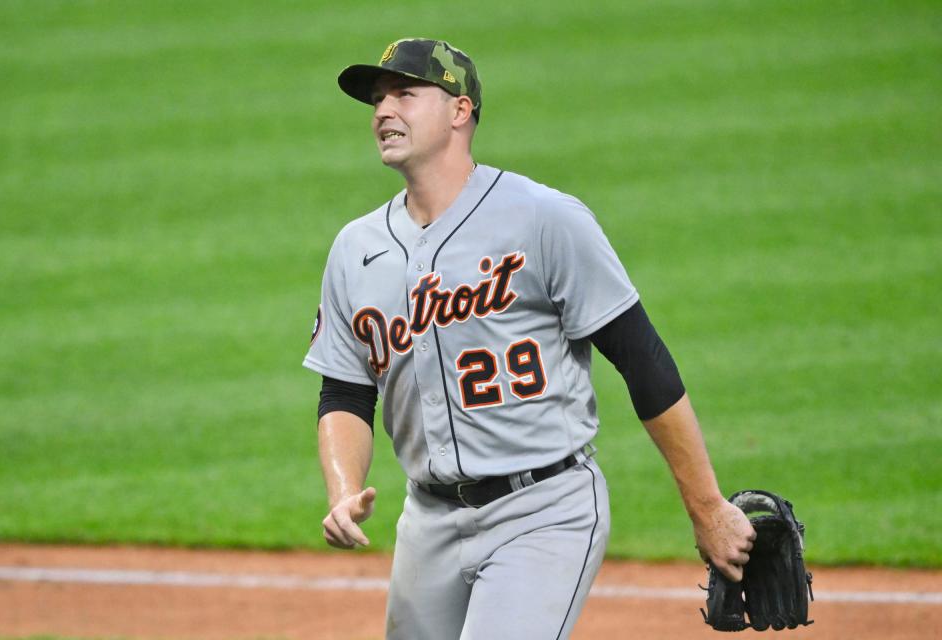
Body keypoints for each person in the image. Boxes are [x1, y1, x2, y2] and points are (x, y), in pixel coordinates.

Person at [303, 37, 756, 640]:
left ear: (460, 111)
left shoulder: (544, 217)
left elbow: (642, 359)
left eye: (405, 95)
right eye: (377, 100)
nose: (383, 111)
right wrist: (343, 491)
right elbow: (346, 390)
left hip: (543, 509)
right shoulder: (355, 248)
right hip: (428, 522)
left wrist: (707, 506)